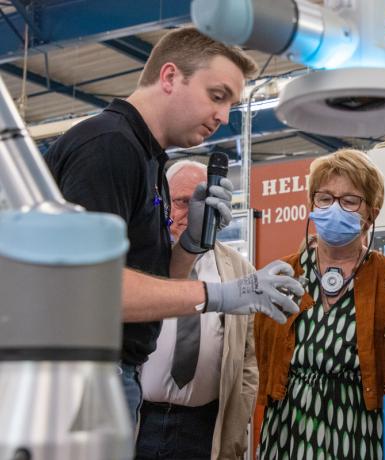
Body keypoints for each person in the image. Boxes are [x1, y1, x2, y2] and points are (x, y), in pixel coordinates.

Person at [44, 27, 303, 425]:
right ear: (169, 77)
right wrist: (221, 295)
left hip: (113, 373)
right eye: (216, 96)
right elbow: (91, 289)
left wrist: (190, 247)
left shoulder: (150, 160)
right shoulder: (109, 146)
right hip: (78, 376)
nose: (222, 116)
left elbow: (148, 280)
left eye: (230, 104)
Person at [255, 148, 385, 459]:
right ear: (312, 204)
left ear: (371, 214)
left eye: (349, 201)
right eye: (325, 198)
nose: (334, 208)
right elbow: (262, 353)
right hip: (288, 430)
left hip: (363, 432)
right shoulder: (281, 274)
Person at [136, 160, 257, 459]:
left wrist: (238, 421)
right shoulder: (142, 261)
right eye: (182, 202)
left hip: (205, 428)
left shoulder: (240, 270)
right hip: (140, 422)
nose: (193, 214)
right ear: (162, 203)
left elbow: (248, 360)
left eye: (203, 203)